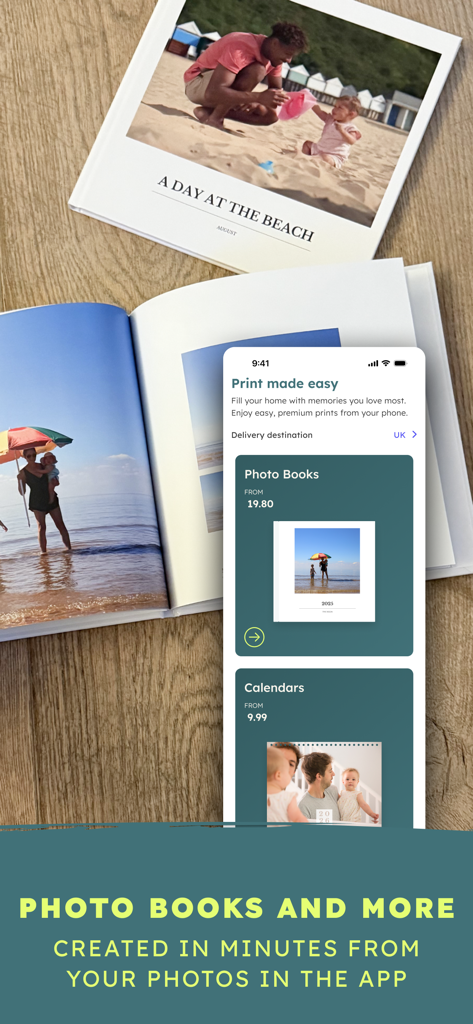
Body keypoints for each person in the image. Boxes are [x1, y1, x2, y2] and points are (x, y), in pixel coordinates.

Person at [184, 22, 308, 130]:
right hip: (197, 83)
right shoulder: (241, 47)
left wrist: (253, 102)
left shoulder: (275, 58)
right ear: (275, 43)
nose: (289, 60)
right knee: (257, 70)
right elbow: (213, 92)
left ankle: (206, 112)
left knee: (270, 116)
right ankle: (215, 119)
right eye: (287, 54)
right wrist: (256, 97)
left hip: (218, 91)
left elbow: (275, 93)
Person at [17, 448, 71, 554]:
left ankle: (69, 550)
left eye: (34, 455)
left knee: (60, 524)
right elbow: (22, 492)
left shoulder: (43, 465)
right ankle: (44, 554)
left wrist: (55, 482)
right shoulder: (23, 472)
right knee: (42, 527)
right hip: (37, 501)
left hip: (50, 498)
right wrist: (19, 480)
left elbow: (54, 477)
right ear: (24, 457)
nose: (32, 458)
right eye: (29, 456)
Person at [302, 96, 362, 169]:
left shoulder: (350, 127)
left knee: (325, 158)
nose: (334, 109)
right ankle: (305, 158)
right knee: (307, 144)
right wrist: (310, 101)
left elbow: (352, 141)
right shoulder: (330, 119)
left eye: (339, 107)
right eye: (335, 106)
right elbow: (319, 112)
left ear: (351, 114)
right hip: (319, 149)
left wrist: (342, 131)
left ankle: (311, 159)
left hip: (334, 156)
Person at [267, 747, 308, 823]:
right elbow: (299, 820)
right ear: (278, 775)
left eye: (291, 764)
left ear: (294, 772)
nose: (288, 769)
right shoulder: (288, 798)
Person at [298, 752, 341, 820]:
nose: (333, 774)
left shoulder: (333, 791)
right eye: (330, 771)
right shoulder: (303, 806)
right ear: (319, 776)